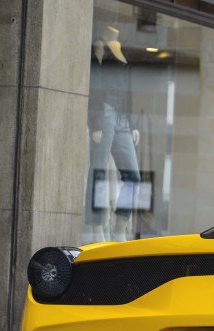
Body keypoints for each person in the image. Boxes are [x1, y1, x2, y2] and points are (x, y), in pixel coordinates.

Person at [86, 25, 141, 242]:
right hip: (104, 112)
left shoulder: (122, 50)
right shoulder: (99, 46)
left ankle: (119, 229)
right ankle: (97, 227)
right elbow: (95, 84)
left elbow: (129, 89)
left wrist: (133, 123)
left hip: (123, 117)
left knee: (133, 176)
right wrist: (96, 122)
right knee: (98, 172)